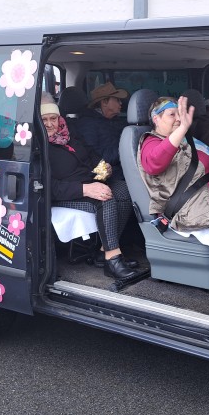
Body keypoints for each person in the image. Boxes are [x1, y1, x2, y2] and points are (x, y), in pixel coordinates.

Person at [138, 96, 209, 264]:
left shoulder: (185, 138)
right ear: (156, 119)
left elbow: (207, 157)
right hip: (192, 202)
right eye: (172, 114)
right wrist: (182, 128)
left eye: (180, 114)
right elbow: (154, 163)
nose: (178, 118)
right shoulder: (151, 141)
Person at [42, 94, 139, 280]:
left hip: (88, 181)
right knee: (105, 197)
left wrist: (103, 166)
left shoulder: (69, 133)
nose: (49, 124)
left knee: (124, 191)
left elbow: (89, 152)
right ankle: (113, 259)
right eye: (44, 120)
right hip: (66, 193)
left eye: (53, 118)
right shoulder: (38, 147)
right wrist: (85, 189)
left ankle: (103, 252)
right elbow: (49, 187)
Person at [77, 82, 129, 179]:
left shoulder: (115, 121)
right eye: (117, 100)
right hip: (109, 176)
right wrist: (125, 148)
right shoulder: (87, 125)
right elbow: (96, 158)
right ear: (104, 102)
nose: (120, 103)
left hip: (123, 169)